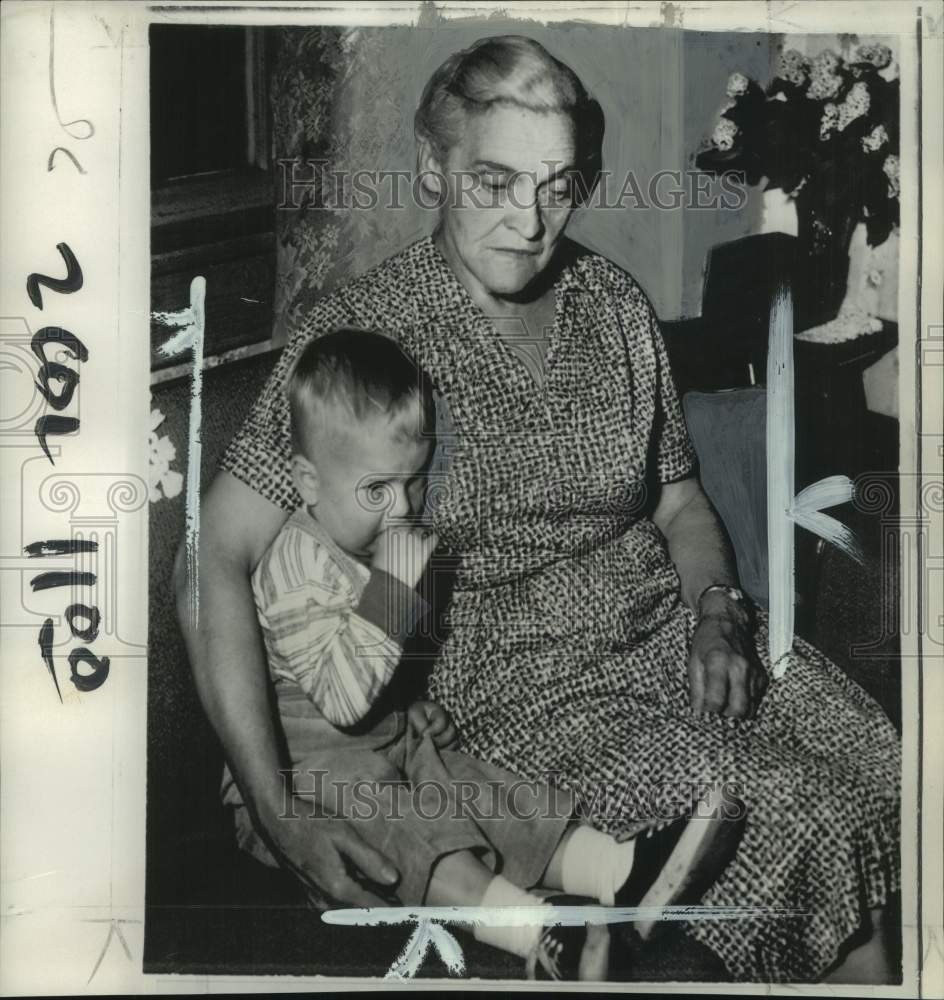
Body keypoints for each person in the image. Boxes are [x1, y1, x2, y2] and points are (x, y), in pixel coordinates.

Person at [177, 34, 900, 983]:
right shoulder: (358, 342)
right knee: (799, 812)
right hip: (519, 703)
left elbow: (679, 502)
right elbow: (209, 564)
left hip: (671, 644)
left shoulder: (614, 304)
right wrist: (278, 805)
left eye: (556, 186)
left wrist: (717, 613)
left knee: (888, 762)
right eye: (495, 181)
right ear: (435, 167)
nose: (529, 219)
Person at [221, 327, 743, 980]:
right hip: (307, 777)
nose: (402, 510)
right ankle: (541, 937)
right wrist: (395, 585)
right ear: (306, 480)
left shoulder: (360, 540)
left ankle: (615, 869)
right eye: (376, 490)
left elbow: (372, 689)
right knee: (409, 824)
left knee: (480, 788)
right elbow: (339, 697)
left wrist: (412, 712)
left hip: (376, 748)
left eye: (413, 484)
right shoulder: (297, 561)